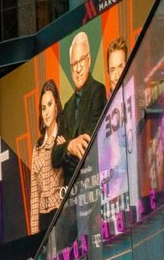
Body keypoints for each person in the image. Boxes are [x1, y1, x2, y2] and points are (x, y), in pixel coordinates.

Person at [53, 31, 108, 180]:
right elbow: (54, 156)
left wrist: (66, 146)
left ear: (89, 60)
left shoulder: (97, 90)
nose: (77, 69)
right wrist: (71, 146)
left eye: (81, 60)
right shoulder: (68, 105)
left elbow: (88, 146)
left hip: (92, 181)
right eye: (73, 64)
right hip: (72, 191)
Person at [29, 79, 66, 235]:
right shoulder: (37, 149)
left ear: (56, 106)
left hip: (62, 212)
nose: (47, 112)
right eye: (43, 108)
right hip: (43, 218)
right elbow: (34, 195)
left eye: (50, 105)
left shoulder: (64, 136)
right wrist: (34, 233)